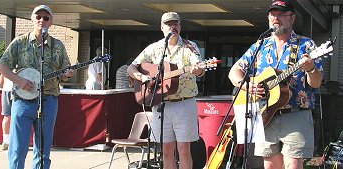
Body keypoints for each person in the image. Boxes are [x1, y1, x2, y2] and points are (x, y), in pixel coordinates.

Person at [228, 0, 323, 168]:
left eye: (281, 14)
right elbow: (234, 71)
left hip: (295, 113)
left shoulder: (306, 45)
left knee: (293, 165)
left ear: (292, 18)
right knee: (270, 165)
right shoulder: (260, 45)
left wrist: (310, 69)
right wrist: (247, 85)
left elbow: (316, 83)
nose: (276, 18)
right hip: (265, 114)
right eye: (273, 14)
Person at [0, 5, 73, 169]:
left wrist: (67, 74)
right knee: (18, 148)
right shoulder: (20, 42)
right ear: (32, 19)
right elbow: (2, 66)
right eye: (38, 17)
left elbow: (63, 72)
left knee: (43, 151)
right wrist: (19, 80)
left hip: (49, 100)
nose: (41, 20)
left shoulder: (58, 45)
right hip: (23, 101)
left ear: (51, 22)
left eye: (46, 18)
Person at [127, 12, 205, 169]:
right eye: (169, 24)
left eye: (175, 24)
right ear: (162, 27)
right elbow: (131, 67)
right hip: (160, 105)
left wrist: (198, 70)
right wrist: (141, 78)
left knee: (184, 150)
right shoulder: (155, 48)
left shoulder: (190, 47)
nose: (172, 27)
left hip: (184, 104)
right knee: (166, 150)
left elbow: (200, 69)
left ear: (180, 26)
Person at [0, 74, 13, 150]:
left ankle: (5, 141)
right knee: (17, 117)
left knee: (6, 116)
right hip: (17, 90)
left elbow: (1, 84)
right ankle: (15, 141)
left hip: (6, 89)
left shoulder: (6, 63)